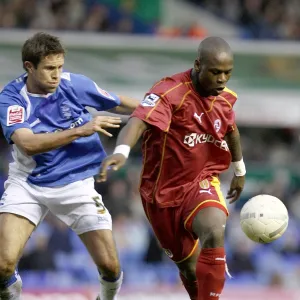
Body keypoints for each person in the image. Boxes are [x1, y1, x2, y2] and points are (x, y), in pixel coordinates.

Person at [99, 37, 246, 300]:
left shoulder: (226, 99)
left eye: (227, 73)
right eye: (215, 72)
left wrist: (240, 169)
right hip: (161, 194)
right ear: (198, 64)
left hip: (201, 181)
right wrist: (121, 152)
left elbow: (231, 130)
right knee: (190, 270)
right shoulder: (169, 92)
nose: (222, 79)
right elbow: (138, 122)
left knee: (214, 230)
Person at [0, 32, 139, 300]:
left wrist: (158, 113)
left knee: (110, 267)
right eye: (49, 68)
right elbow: (27, 144)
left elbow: (120, 103)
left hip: (76, 184)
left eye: (60, 67)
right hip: (29, 184)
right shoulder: (11, 99)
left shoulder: (74, 84)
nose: (56, 74)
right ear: (29, 66)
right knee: (3, 265)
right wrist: (81, 131)